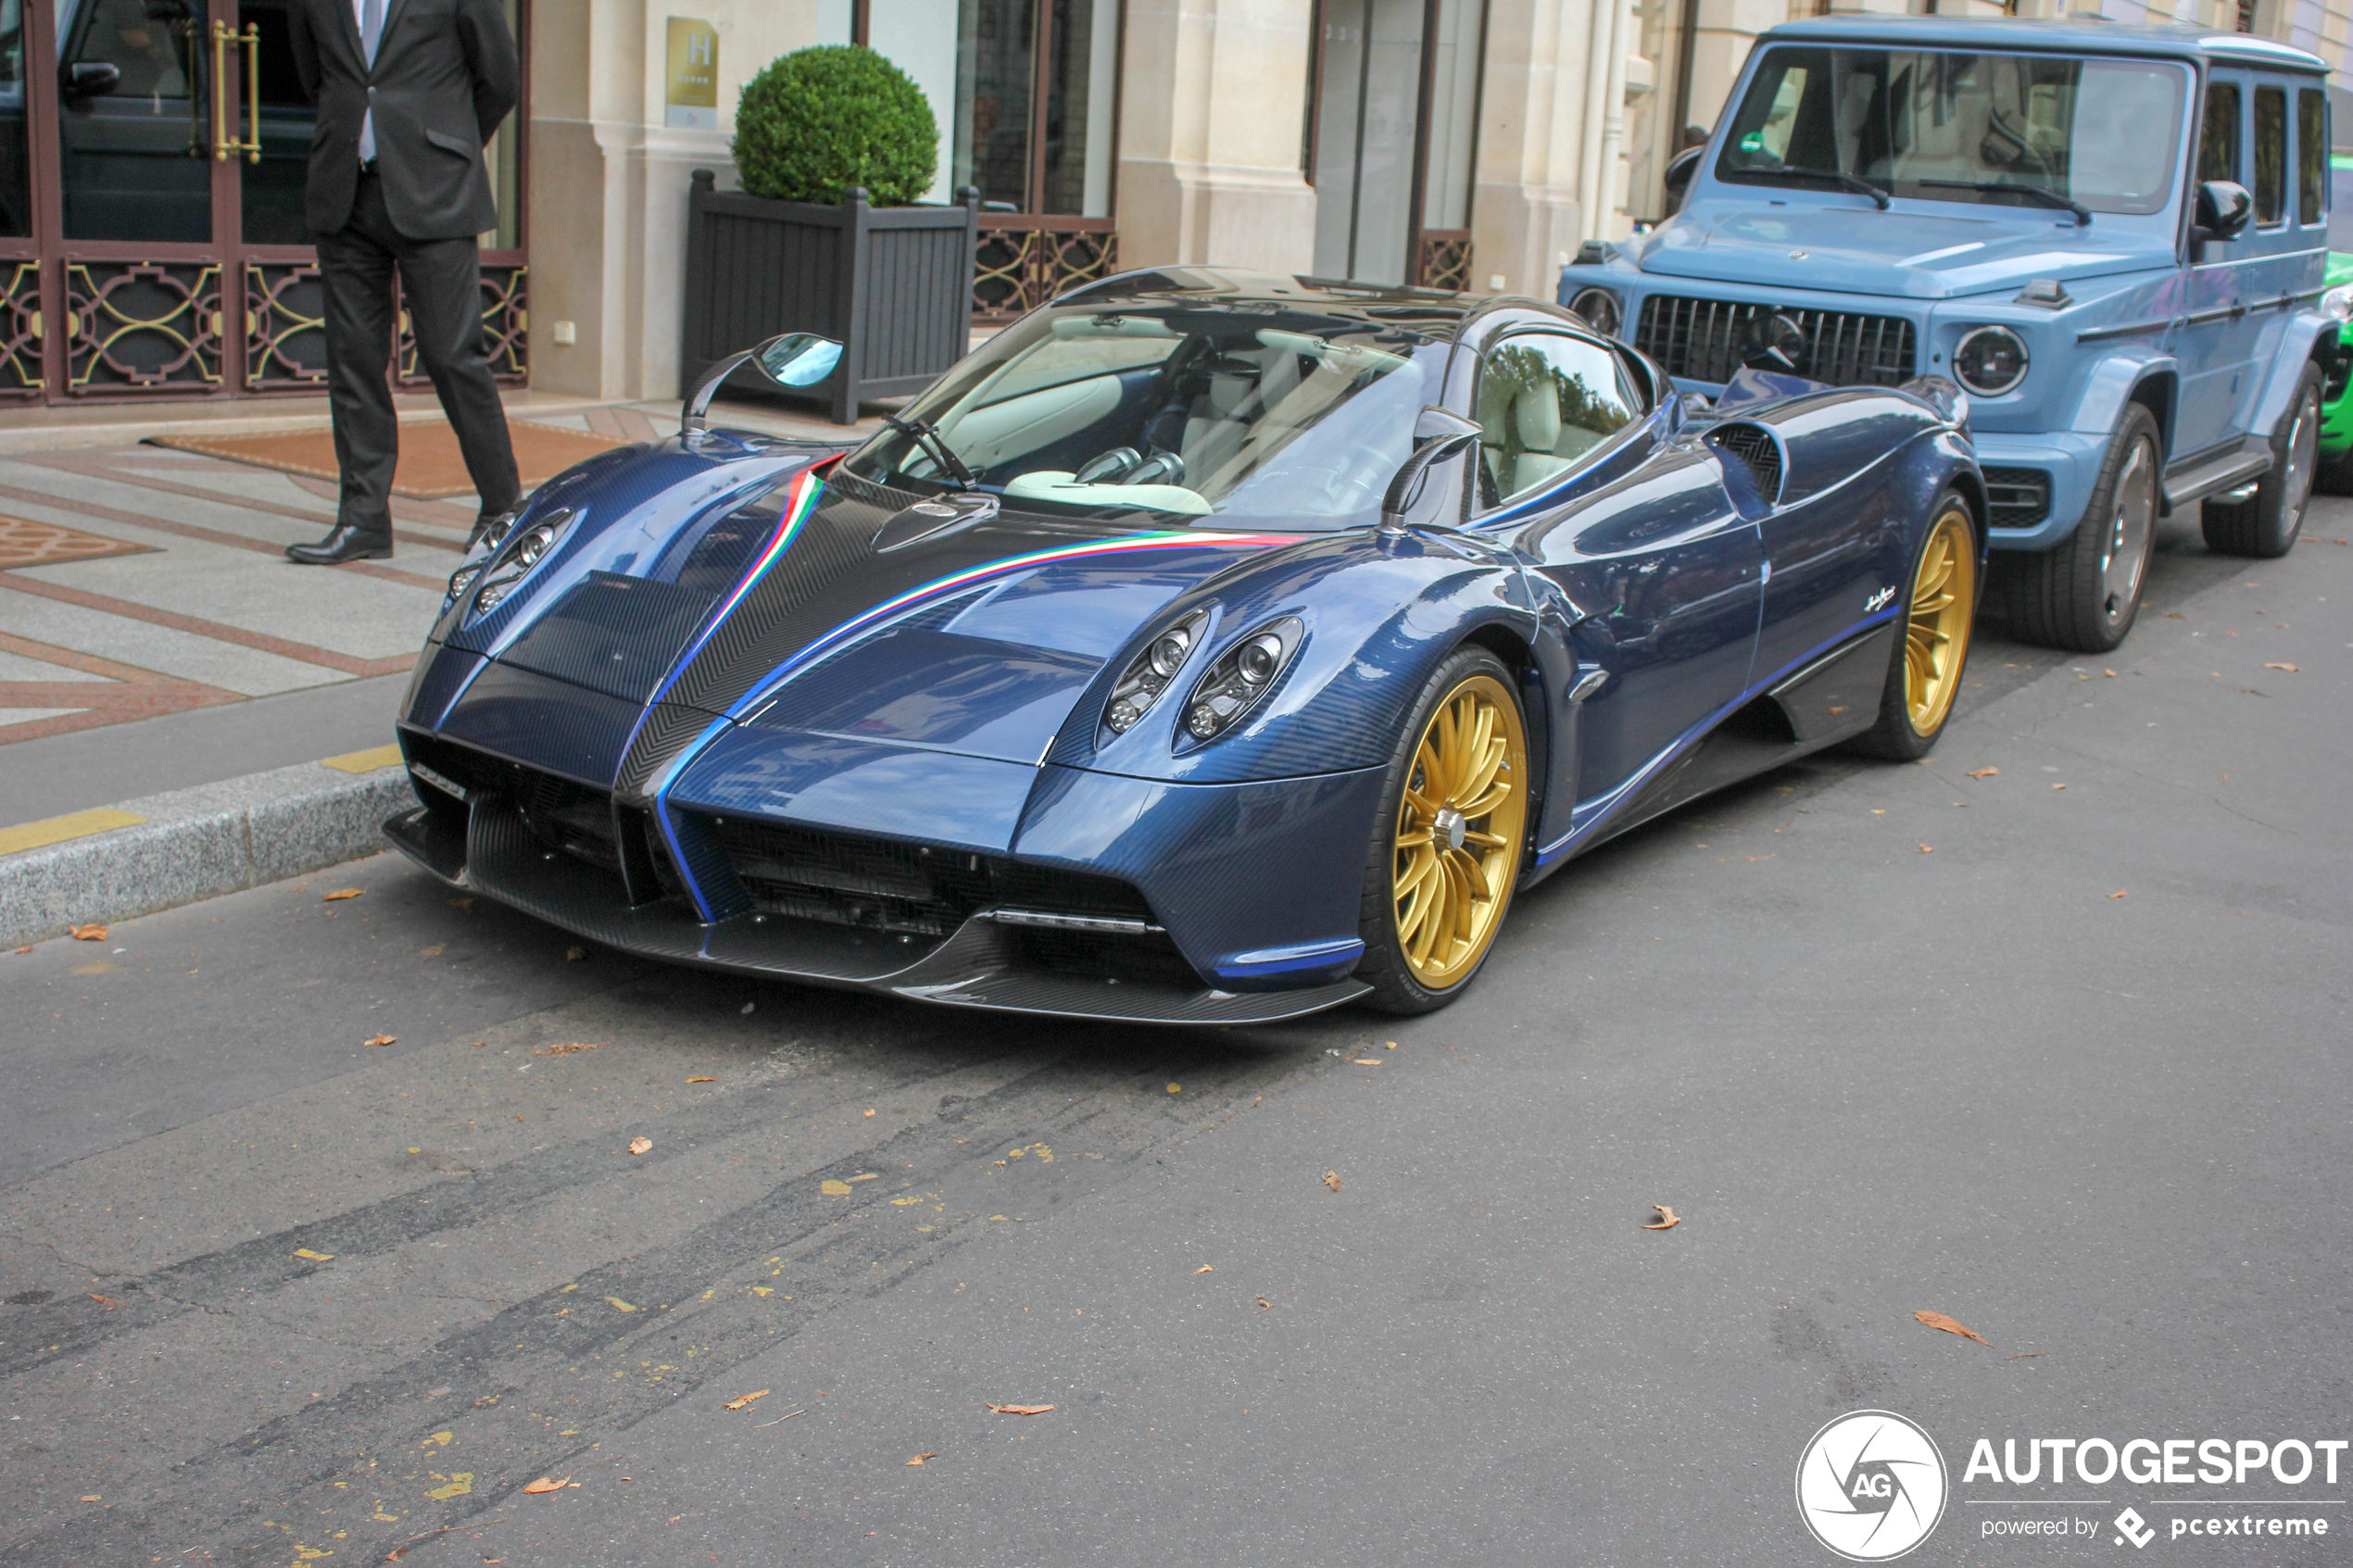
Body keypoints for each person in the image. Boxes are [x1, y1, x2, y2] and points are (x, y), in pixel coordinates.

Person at [283, 0, 522, 564]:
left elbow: (500, 81)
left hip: (435, 193)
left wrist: (445, 146)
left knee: (451, 354)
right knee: (353, 361)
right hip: (346, 191)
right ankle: (363, 519)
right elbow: (313, 76)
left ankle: (501, 509)